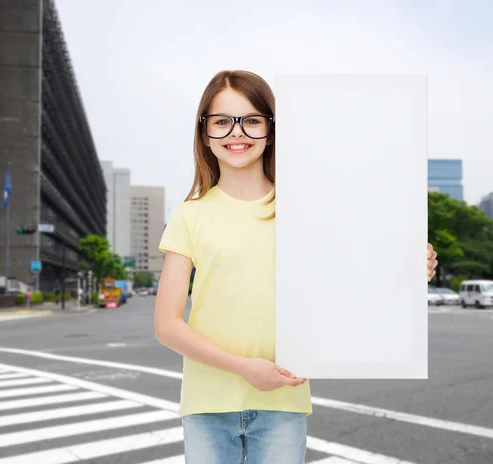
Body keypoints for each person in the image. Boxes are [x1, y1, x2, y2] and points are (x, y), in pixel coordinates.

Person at [154, 70, 439, 464]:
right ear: (204, 134)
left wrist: (408, 267)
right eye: (222, 122)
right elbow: (167, 325)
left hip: (283, 401)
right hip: (207, 404)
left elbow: (353, 278)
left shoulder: (305, 208)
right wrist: (244, 368)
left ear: (271, 130)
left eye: (252, 120)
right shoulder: (189, 215)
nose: (237, 133)